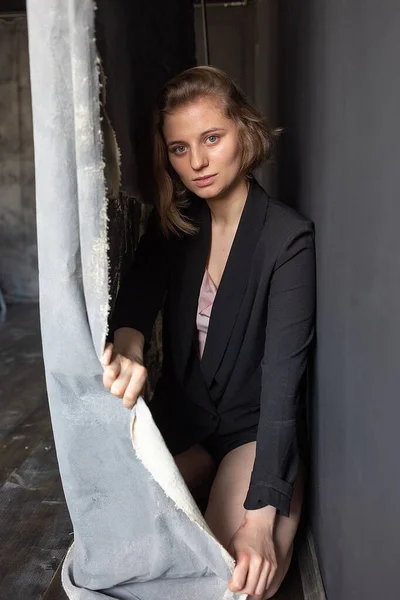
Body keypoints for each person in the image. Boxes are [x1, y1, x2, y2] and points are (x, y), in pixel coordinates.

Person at [101, 66, 316, 599]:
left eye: (211, 139)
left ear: (244, 130)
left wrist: (262, 520)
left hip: (253, 432)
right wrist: (127, 350)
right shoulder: (177, 225)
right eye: (178, 148)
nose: (195, 162)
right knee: (117, 537)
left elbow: (283, 384)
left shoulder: (287, 239)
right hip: (185, 420)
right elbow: (134, 306)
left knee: (233, 576)